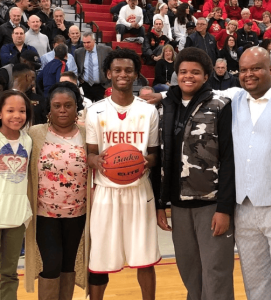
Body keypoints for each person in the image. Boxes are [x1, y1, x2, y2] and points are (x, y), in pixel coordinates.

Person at [157, 46, 235, 300]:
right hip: (179, 205)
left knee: (216, 271)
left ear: (206, 75)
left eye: (195, 72)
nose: (188, 76)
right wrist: (161, 203)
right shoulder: (167, 105)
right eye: (182, 71)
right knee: (189, 270)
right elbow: (162, 157)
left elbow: (229, 159)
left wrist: (224, 208)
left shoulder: (220, 105)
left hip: (211, 204)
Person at [85, 48, 161, 300]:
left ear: (137, 74)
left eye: (128, 70)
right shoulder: (94, 111)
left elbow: (153, 155)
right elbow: (90, 154)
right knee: (99, 258)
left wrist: (142, 162)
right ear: (108, 73)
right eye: (117, 70)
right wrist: (98, 161)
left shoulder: (148, 111)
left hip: (139, 191)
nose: (122, 74)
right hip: (105, 192)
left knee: (145, 258)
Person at [229, 46, 271, 300]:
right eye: (243, 70)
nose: (248, 75)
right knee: (254, 278)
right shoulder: (235, 98)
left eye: (255, 68)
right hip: (243, 206)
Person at [25, 82, 89, 299]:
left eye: (68, 105)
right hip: (45, 214)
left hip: (78, 213)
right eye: (57, 105)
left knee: (68, 266)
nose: (63, 110)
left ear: (76, 108)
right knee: (51, 265)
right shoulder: (35, 134)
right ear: (49, 109)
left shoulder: (87, 134)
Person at [0, 89, 33, 300]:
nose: (16, 115)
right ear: (0, 113)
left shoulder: (28, 141)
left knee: (8, 274)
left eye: (21, 110)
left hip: (16, 217)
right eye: (10, 110)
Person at [74, 31, 112, 102]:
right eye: (84, 43)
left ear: (94, 41)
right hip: (85, 86)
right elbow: (76, 68)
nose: (86, 45)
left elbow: (112, 65)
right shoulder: (78, 52)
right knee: (86, 109)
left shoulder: (106, 50)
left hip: (101, 86)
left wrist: (109, 83)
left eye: (88, 42)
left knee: (101, 110)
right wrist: (79, 79)